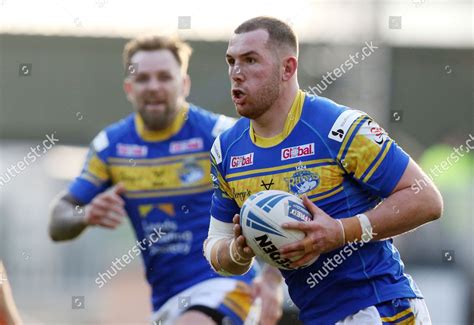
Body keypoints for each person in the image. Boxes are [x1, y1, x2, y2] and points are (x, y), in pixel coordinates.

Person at [203, 16, 443, 324]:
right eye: (231, 61)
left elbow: (426, 200)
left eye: (250, 60)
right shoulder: (227, 151)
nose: (237, 73)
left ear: (287, 68)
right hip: (317, 316)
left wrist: (342, 232)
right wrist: (239, 252)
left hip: (379, 307)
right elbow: (214, 245)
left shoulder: (339, 128)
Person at [49, 35, 282, 325]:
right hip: (166, 302)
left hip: (229, 286)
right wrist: (85, 214)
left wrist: (272, 281)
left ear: (184, 84)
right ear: (129, 88)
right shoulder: (111, 147)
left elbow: (279, 202)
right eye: (143, 79)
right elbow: (58, 222)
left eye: (164, 77)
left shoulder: (222, 137)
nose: (154, 87)